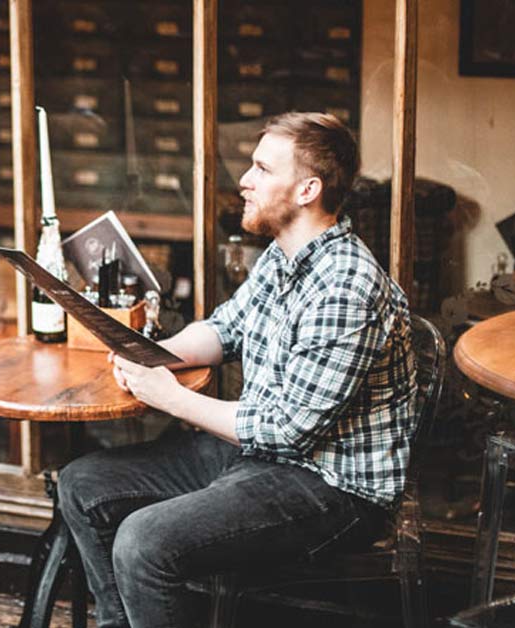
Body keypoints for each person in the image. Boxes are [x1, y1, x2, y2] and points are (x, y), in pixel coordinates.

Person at [59, 112, 416, 627]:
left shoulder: (345, 286)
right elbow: (226, 330)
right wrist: (149, 353)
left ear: (307, 190)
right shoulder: (284, 255)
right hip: (258, 455)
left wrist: (169, 396)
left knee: (144, 541)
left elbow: (287, 430)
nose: (244, 181)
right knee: (83, 482)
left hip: (333, 487)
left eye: (262, 169)